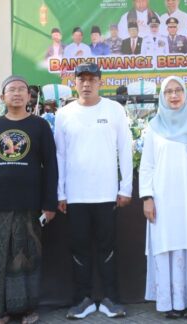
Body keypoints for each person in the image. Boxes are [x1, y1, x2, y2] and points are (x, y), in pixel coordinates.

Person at [0, 75, 59, 324]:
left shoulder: (40, 126)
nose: (17, 93)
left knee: (28, 255)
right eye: (12, 90)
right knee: (1, 256)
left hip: (31, 203)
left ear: (29, 96)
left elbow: (51, 166)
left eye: (22, 89)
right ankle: (1, 309)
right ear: (3, 97)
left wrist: (49, 203)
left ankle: (29, 309)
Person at [55, 63, 133, 319]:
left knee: (107, 249)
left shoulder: (114, 109)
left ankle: (111, 300)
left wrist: (126, 187)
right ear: (74, 83)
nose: (86, 84)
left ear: (101, 82)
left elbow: (125, 148)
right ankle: (83, 300)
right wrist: (60, 193)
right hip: (76, 196)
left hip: (106, 195)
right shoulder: (64, 114)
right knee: (79, 249)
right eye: (82, 79)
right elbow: (60, 155)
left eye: (91, 79)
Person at [140, 76, 187, 318]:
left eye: (178, 90)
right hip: (163, 199)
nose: (174, 95)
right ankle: (172, 304)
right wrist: (147, 197)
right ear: (162, 96)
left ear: (185, 94)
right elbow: (147, 165)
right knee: (168, 244)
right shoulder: (154, 126)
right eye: (168, 92)